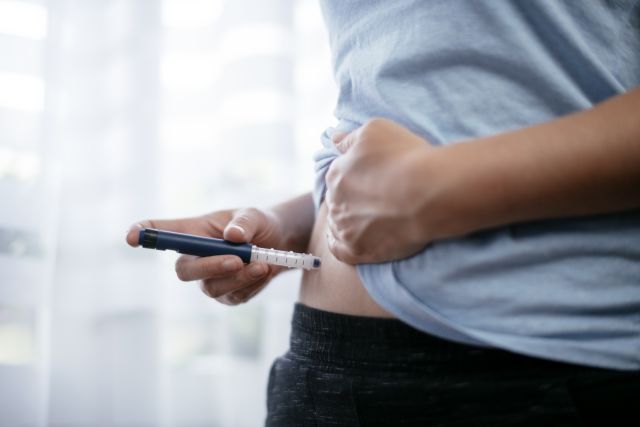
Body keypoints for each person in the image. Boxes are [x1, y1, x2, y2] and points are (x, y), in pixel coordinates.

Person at [127, 1, 640, 425]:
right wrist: (299, 219)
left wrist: (438, 188)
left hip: (542, 365)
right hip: (323, 370)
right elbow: (428, 106)